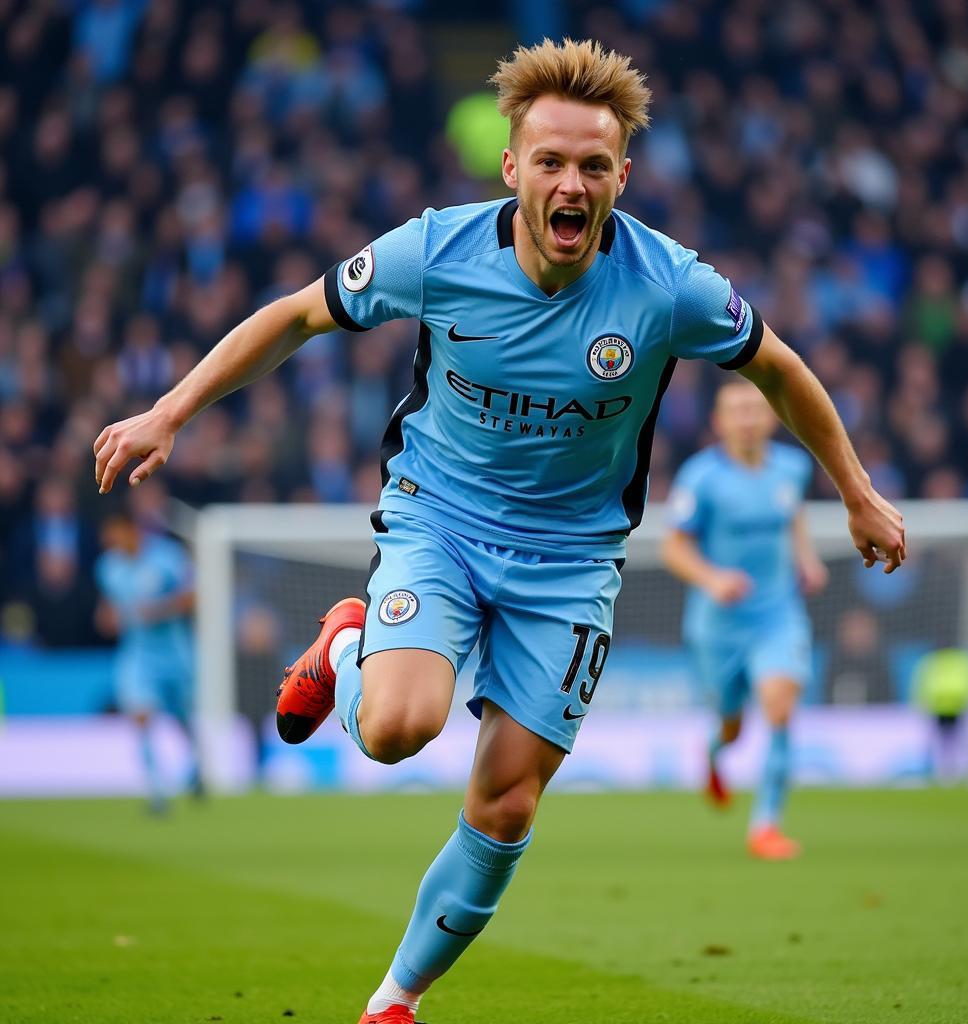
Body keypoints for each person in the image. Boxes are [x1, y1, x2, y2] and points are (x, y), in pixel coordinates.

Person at [92, 38, 905, 1024]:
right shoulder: (434, 251)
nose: (572, 182)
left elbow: (778, 367)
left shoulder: (668, 284)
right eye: (551, 161)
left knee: (508, 803)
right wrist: (170, 409)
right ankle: (349, 647)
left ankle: (394, 999)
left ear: (621, 177)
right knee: (396, 728)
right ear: (512, 165)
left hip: (570, 560)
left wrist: (856, 492)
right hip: (441, 521)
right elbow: (298, 316)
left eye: (593, 165)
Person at [662, 380, 829, 859]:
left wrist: (807, 559)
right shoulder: (701, 478)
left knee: (779, 707)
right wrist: (713, 579)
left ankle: (766, 826)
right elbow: (674, 547)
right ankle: (715, 750)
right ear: (719, 422)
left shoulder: (792, 469)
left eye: (756, 409)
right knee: (733, 726)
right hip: (718, 624)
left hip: (778, 614)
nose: (748, 418)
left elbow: (792, 516)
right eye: (737, 410)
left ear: (771, 417)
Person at [95, 506, 201, 814]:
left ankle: (197, 766)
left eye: (116, 536)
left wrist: (157, 611)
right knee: (141, 716)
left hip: (175, 653)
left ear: (131, 530)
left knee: (181, 717)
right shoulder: (108, 567)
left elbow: (192, 598)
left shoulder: (167, 557)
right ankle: (157, 791)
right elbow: (108, 607)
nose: (112, 543)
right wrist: (107, 618)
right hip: (137, 656)